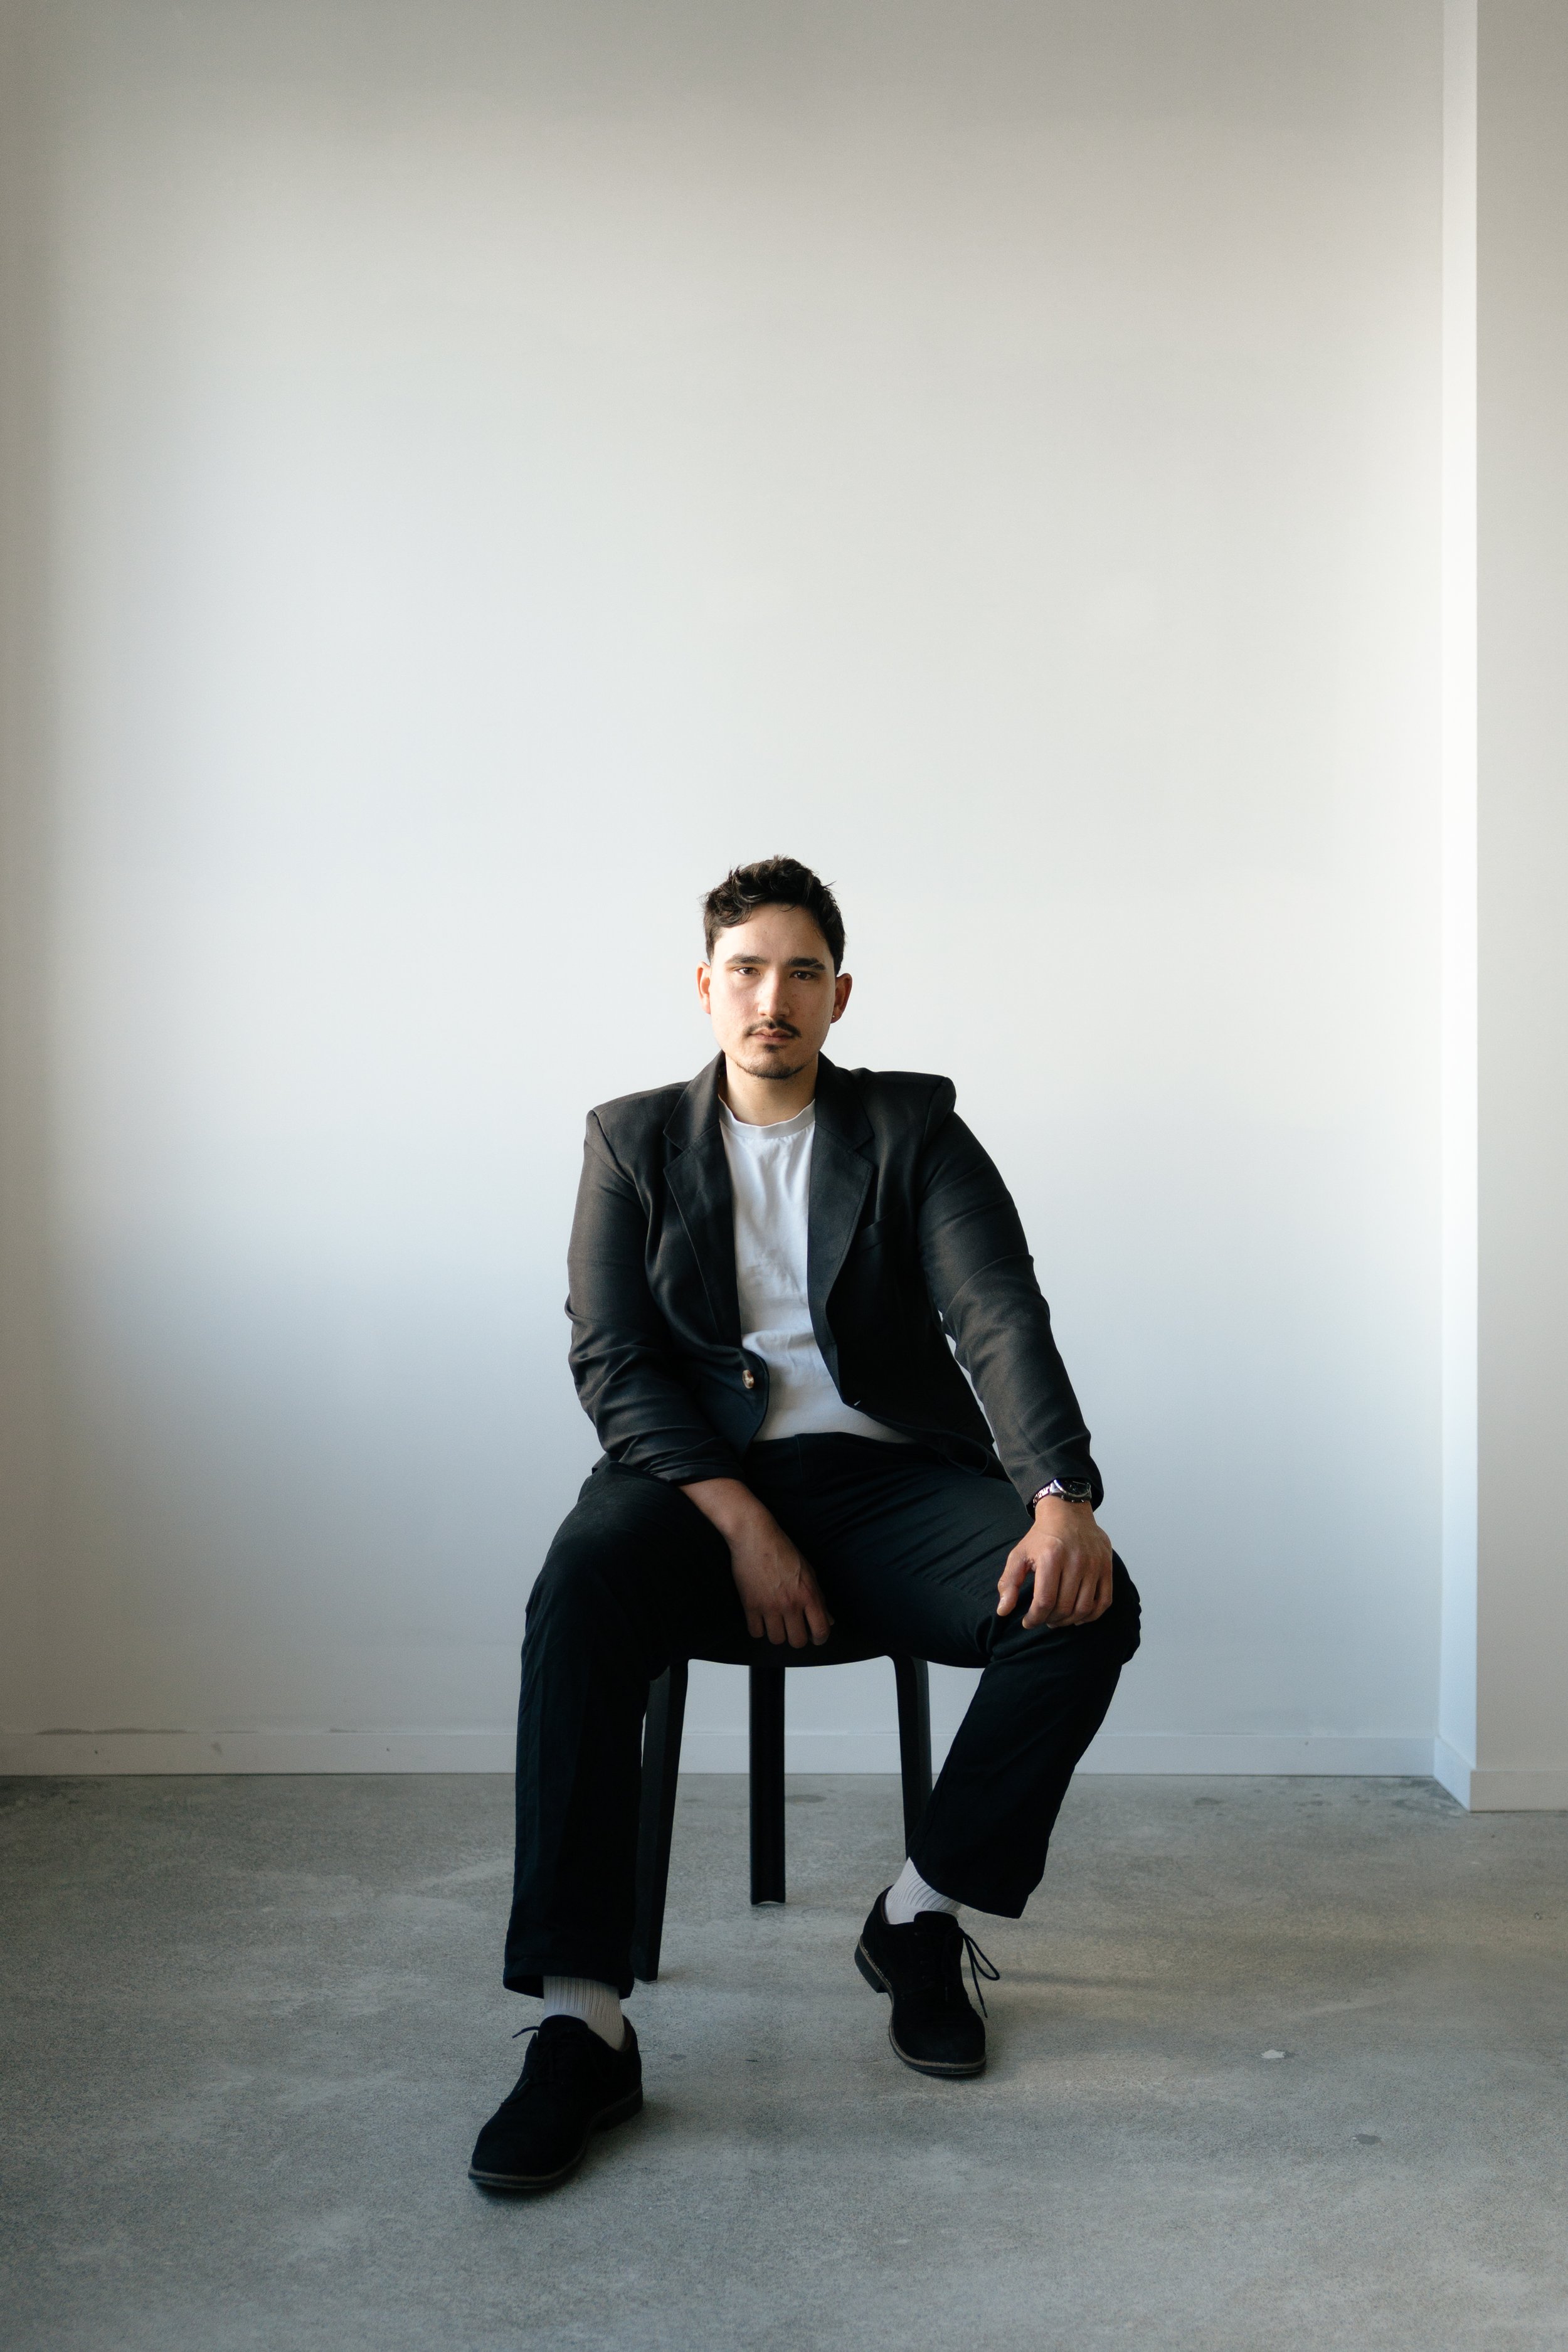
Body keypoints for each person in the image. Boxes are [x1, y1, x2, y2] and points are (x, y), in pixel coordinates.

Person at [469, 856, 1140, 2192]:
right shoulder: (630, 1138)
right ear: (704, 987)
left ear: (839, 994)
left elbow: (996, 1312)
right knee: (578, 1593)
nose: (769, 997)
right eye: (744, 970)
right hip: (688, 1485)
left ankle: (916, 1917)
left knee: (1087, 1605)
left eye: (799, 972)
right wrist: (735, 1520)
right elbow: (611, 1358)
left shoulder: (913, 1131)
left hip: (883, 1482)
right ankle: (581, 2025)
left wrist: (1058, 1496)